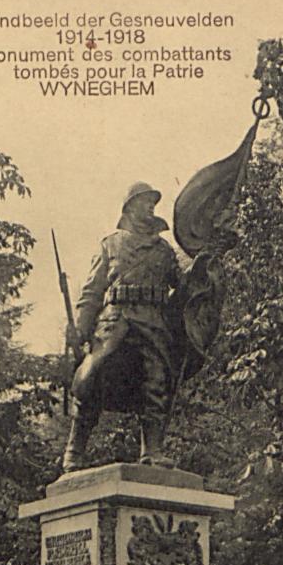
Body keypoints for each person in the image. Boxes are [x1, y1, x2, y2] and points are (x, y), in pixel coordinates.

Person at [62, 182, 186, 472]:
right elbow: (92, 292)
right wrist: (81, 329)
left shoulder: (164, 250)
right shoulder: (111, 244)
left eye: (153, 202)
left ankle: (151, 450)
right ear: (130, 206)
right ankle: (74, 450)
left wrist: (206, 262)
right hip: (115, 321)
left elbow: (183, 287)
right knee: (90, 378)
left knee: (156, 383)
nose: (151, 206)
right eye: (144, 201)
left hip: (153, 322)